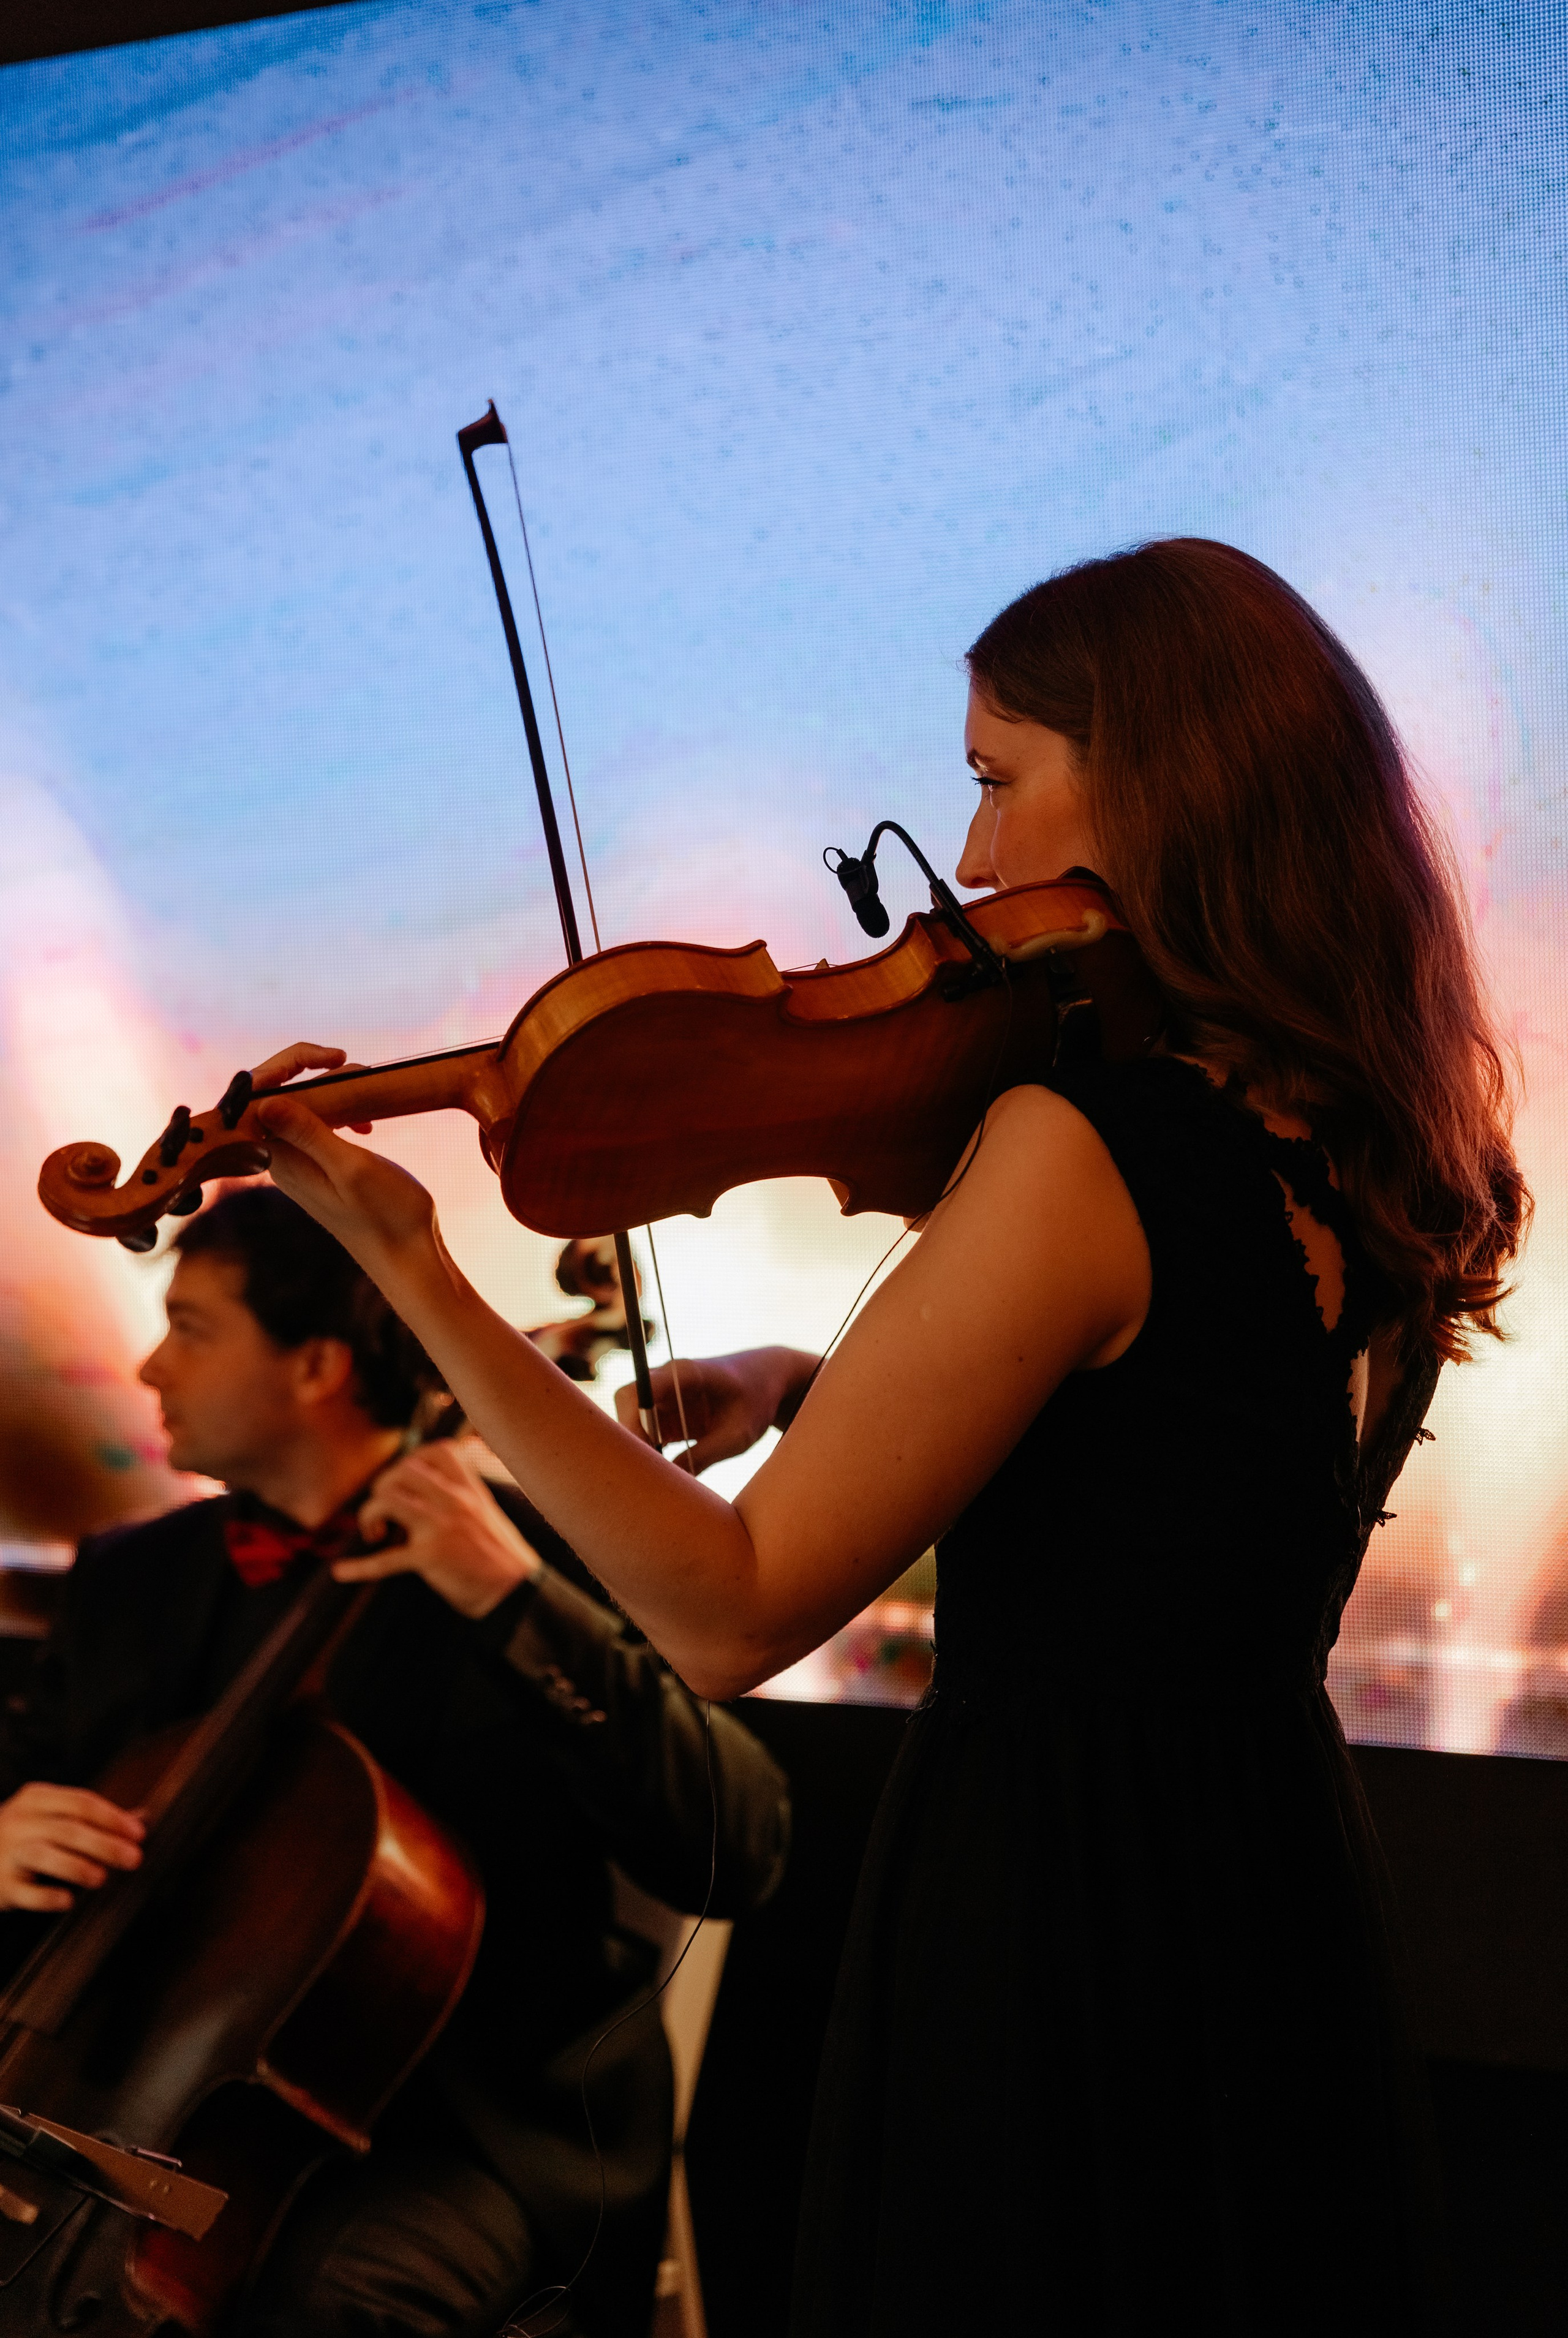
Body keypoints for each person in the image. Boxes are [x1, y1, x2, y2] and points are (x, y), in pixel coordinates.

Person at [254, 539, 1525, 2333]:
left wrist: (413, 1270)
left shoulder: (1090, 1151)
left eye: (1000, 780)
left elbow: (727, 1607)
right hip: (1268, 1895)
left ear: (1166, 776)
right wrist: (815, 1381)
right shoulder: (1380, 1155)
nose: (979, 864)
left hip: (1058, 1929)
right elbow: (1187, 1462)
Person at [0, 1185, 790, 2338]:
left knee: (339, 2300)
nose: (155, 1367)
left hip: (463, 2132)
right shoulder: (134, 1577)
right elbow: (26, 1775)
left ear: (318, 1364)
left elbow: (743, 1841)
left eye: (193, 1326)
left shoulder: (538, 1552)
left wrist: (516, 1601)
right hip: (122, 2088)